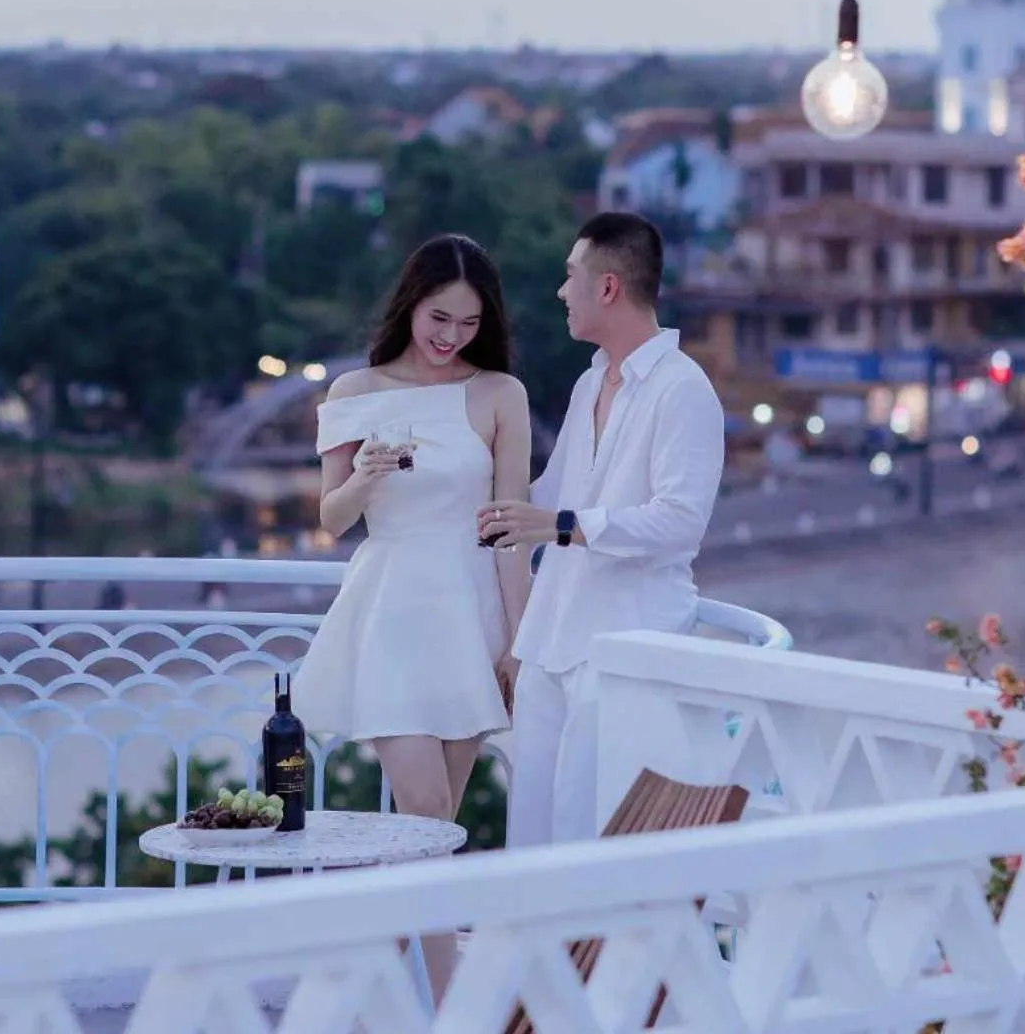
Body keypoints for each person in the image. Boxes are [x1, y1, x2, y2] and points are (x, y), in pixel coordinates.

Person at [297, 233, 531, 998]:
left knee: (429, 832)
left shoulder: (499, 394)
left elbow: (509, 529)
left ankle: (352, 995)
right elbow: (332, 520)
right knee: (424, 812)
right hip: (393, 608)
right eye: (439, 317)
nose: (450, 336)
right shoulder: (354, 391)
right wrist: (365, 475)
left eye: (468, 323)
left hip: (471, 610)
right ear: (411, 304)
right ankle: (452, 1000)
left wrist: (518, 641)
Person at [477, 211, 725, 847]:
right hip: (552, 637)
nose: (562, 291)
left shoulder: (684, 390)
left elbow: (680, 522)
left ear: (608, 287)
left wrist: (560, 526)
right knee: (531, 831)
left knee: (585, 834)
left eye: (571, 276)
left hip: (624, 640)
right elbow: (549, 496)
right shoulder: (590, 382)